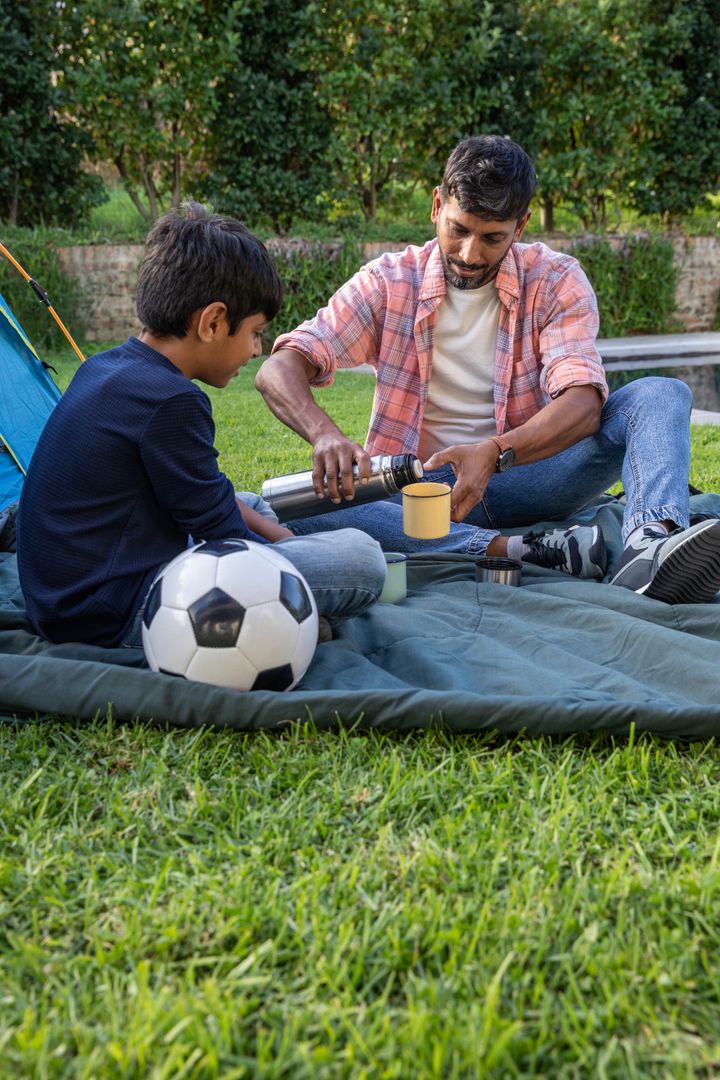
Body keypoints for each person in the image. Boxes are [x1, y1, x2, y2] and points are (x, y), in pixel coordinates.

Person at [256, 134, 720, 605]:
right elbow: (279, 367)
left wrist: (495, 451)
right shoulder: (389, 281)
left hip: (529, 473)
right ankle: (518, 550)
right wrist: (324, 434)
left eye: (492, 237)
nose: (470, 253)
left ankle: (650, 547)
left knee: (661, 393)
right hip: (425, 494)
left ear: (521, 225)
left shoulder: (555, 280)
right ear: (437, 206)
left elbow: (582, 404)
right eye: (459, 229)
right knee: (288, 507)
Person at [17, 203, 386, 649]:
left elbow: (213, 500)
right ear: (212, 322)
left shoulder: (105, 366)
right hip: (113, 610)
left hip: (63, 598)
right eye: (255, 332)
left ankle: (296, 585)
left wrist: (282, 538)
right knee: (363, 559)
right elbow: (226, 535)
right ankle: (289, 615)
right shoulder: (171, 400)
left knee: (253, 504)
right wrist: (287, 551)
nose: (256, 351)